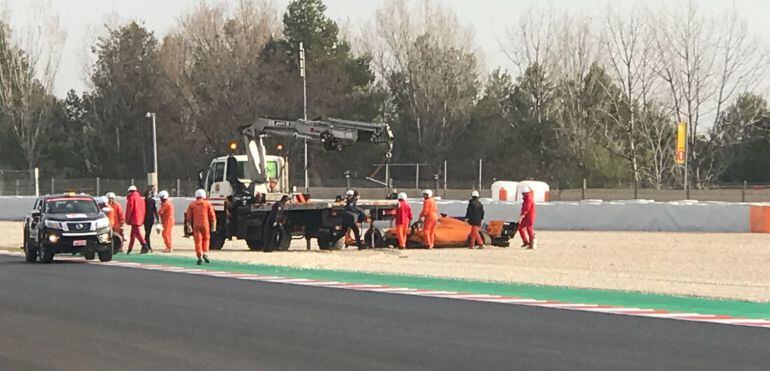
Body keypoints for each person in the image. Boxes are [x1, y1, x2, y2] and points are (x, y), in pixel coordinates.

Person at [185, 189, 216, 265]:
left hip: (196, 225)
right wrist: (213, 226)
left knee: (198, 241)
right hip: (205, 224)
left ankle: (199, 256)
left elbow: (188, 217)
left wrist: (189, 226)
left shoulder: (192, 205)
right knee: (206, 239)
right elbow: (212, 216)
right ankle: (205, 252)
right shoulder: (207, 204)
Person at [124, 185, 148, 254]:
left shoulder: (131, 198)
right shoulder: (140, 198)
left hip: (134, 219)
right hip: (139, 218)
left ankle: (145, 246)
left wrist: (127, 219)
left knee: (137, 234)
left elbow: (129, 209)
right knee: (133, 235)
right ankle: (130, 249)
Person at [143, 188, 159, 252]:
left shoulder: (144, 201)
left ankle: (146, 246)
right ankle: (147, 246)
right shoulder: (153, 201)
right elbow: (155, 210)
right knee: (148, 233)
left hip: (145, 218)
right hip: (151, 218)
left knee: (147, 233)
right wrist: (157, 218)